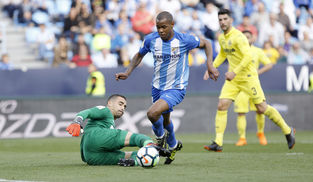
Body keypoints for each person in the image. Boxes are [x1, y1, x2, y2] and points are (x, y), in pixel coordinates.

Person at [115, 11, 219, 164]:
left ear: (172, 25)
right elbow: (139, 55)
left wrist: (210, 64)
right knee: (165, 121)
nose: (161, 30)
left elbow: (207, 44)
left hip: (176, 88)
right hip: (157, 87)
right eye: (158, 27)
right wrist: (127, 72)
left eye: (164, 27)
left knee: (152, 113)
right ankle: (174, 145)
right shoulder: (151, 39)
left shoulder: (184, 40)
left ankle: (159, 141)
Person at [203, 9, 295, 152]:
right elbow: (222, 54)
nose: (222, 22)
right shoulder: (221, 37)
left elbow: (247, 58)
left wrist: (234, 72)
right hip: (233, 80)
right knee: (222, 105)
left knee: (262, 108)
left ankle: (287, 130)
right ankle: (218, 142)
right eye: (220, 19)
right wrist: (211, 67)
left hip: (248, 78)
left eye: (225, 19)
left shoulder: (239, 37)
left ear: (231, 20)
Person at [66, 94, 170, 166]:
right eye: (120, 104)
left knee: (126, 156)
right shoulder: (105, 110)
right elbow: (87, 112)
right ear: (110, 103)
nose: (123, 108)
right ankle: (151, 145)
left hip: (90, 156)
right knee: (136, 137)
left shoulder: (109, 122)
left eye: (124, 106)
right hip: (95, 136)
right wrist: (77, 122)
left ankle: (137, 161)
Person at [233, 30, 273, 146]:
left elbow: (269, 64)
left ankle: (260, 133)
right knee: (241, 112)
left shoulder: (257, 51)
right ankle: (242, 138)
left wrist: (258, 72)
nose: (246, 39)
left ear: (252, 39)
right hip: (240, 86)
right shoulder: (236, 51)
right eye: (243, 37)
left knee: (260, 110)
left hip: (254, 84)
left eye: (248, 37)